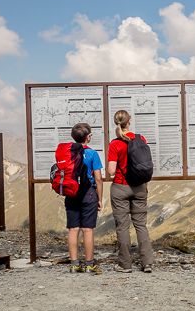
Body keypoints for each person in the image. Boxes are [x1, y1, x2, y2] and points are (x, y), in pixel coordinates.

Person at [107, 110, 154, 273]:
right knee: (141, 225)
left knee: (122, 227)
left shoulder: (115, 143)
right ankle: (147, 263)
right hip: (140, 187)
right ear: (129, 121)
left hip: (120, 187)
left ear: (116, 123)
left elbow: (111, 170)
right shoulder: (141, 139)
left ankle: (125, 265)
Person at [64, 123, 104, 274]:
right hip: (88, 193)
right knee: (88, 230)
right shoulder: (92, 154)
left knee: (73, 229)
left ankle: (74, 264)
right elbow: (98, 178)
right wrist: (100, 198)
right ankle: (89, 264)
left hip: (71, 193)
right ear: (88, 137)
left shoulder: (67, 153)